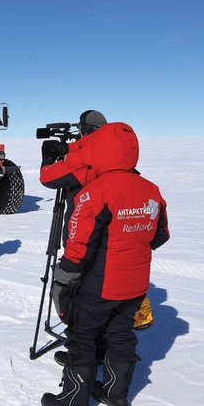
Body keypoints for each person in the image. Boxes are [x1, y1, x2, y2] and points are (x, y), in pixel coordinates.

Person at [40, 122, 170, 406]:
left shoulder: (95, 191)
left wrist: (67, 272)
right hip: (135, 282)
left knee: (82, 334)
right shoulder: (150, 189)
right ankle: (116, 394)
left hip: (101, 280)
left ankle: (74, 403)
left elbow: (78, 244)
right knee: (121, 332)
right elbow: (159, 235)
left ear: (99, 150)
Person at [40, 111, 153, 367]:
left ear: (84, 131)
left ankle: (82, 356)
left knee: (81, 296)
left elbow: (49, 177)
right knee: (108, 303)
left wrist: (50, 158)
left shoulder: (87, 163)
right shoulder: (120, 162)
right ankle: (104, 355)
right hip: (121, 239)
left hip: (85, 232)